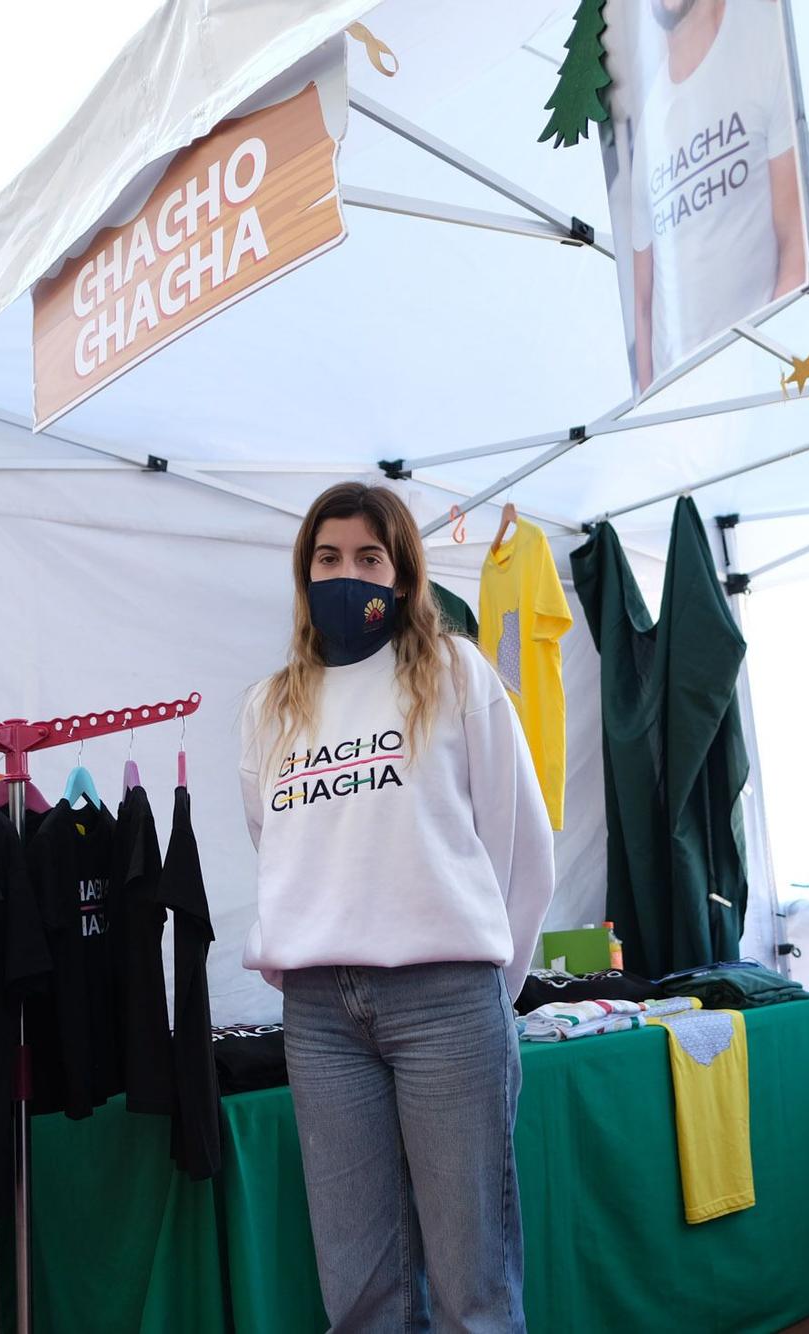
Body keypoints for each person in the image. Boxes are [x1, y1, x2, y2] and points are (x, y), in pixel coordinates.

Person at [239, 483, 554, 1331]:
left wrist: (493, 985)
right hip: (319, 1014)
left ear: (405, 573)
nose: (349, 575)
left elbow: (522, 846)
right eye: (328, 559)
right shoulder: (271, 707)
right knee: (359, 1293)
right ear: (304, 576)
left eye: (369, 558)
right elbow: (274, 844)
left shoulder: (455, 673)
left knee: (471, 1286)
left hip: (447, 999)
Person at [627, 0, 807, 389]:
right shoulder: (648, 132)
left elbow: (797, 244)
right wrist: (652, 405)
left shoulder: (763, 45)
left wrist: (763, 371)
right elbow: (642, 304)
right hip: (678, 411)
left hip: (759, 381)